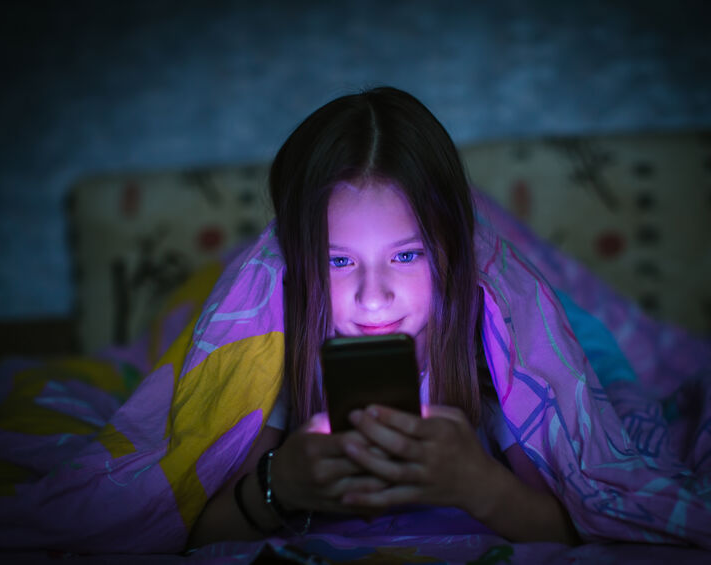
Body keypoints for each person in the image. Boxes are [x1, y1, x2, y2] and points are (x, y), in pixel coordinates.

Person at [187, 87, 580, 547]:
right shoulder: (279, 368)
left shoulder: (493, 362)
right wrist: (281, 487)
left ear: (451, 253)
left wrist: (481, 486)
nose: (373, 299)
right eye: (338, 261)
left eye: (407, 255)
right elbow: (199, 537)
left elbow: (570, 532)